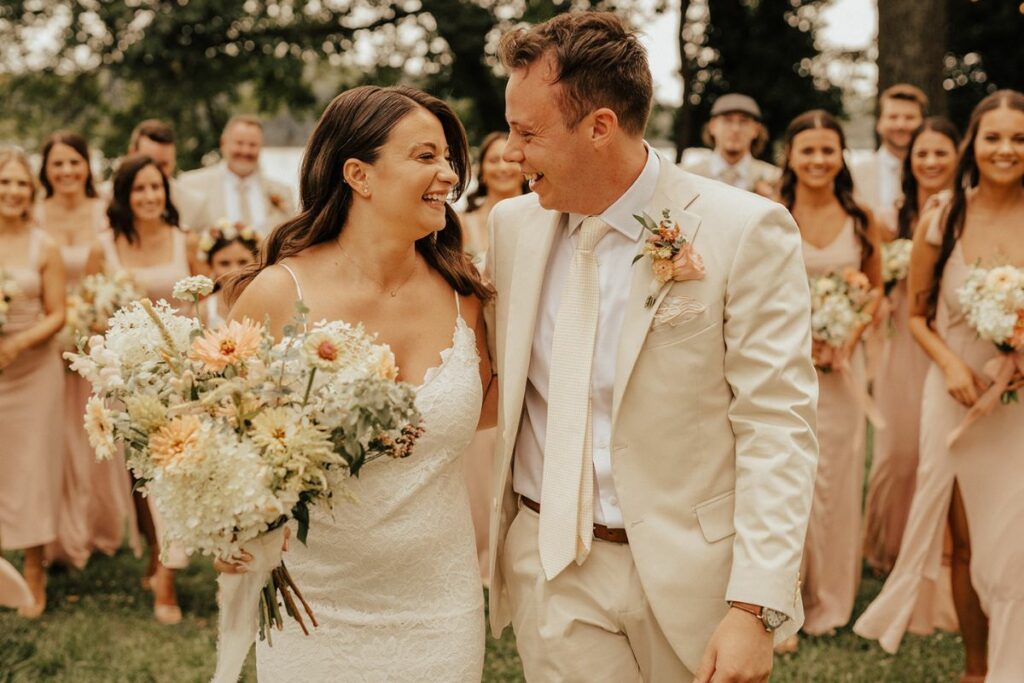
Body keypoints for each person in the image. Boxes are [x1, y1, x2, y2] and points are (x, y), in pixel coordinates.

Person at [487, 13, 818, 681]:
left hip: (696, 578)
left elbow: (776, 426)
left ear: (599, 127)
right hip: (550, 567)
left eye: (528, 134)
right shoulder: (510, 227)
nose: (512, 154)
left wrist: (754, 606)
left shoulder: (745, 229)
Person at [222, 85, 496, 681]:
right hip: (312, 609)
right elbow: (218, 435)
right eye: (426, 156)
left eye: (449, 158)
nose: (448, 174)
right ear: (359, 175)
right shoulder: (276, 295)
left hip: (439, 610)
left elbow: (492, 410)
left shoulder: (467, 298)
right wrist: (229, 524)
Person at [864, 90, 1024, 683]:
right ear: (973, 145)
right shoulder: (943, 215)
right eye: (994, 137)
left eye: (1019, 138)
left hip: (1020, 402)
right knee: (968, 538)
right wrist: (951, 366)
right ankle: (978, 671)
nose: (1006, 149)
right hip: (955, 395)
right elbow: (916, 315)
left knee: (1018, 537)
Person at [84, 154, 205, 625]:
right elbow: (93, 312)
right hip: (129, 378)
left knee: (170, 474)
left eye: (157, 188)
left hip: (180, 376)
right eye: (140, 189)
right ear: (125, 196)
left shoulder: (184, 241)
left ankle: (167, 583)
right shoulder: (105, 247)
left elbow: (203, 303)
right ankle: (158, 558)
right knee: (143, 479)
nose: (151, 197)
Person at [778, 110, 882, 643]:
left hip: (842, 369)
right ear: (790, 156)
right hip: (780, 363)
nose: (818, 160)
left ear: (841, 156)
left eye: (828, 150)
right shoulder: (771, 212)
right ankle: (780, 601)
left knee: (836, 483)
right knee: (782, 475)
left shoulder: (861, 217)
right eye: (808, 150)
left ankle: (831, 600)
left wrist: (847, 336)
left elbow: (876, 289)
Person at [863, 118, 961, 576]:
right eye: (922, 154)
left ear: (958, 157)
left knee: (943, 450)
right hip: (902, 341)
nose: (930, 161)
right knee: (897, 452)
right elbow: (875, 279)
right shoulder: (893, 216)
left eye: (941, 152)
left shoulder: (966, 212)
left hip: (953, 338)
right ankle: (890, 552)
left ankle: (942, 558)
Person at [34, 131, 125, 570]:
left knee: (96, 437)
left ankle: (98, 528)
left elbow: (113, 270)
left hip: (97, 338)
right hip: (43, 341)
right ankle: (55, 537)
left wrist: (93, 324)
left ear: (87, 166)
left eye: (75, 162)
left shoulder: (104, 212)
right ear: (45, 170)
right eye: (58, 164)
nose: (67, 171)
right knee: (56, 439)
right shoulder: (32, 214)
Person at [0, 148, 67, 618]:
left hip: (33, 370)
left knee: (32, 470)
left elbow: (59, 311)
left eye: (21, 184)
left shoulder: (44, 246)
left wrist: (18, 344)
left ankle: (35, 572)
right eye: (5, 182)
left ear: (32, 191)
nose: (12, 192)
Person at [457, 131, 525, 584]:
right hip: (482, 342)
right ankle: (479, 556)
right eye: (492, 161)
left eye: (509, 160)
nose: (501, 168)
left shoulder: (547, 217)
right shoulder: (461, 223)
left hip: (524, 338)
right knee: (480, 455)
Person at [178, 115, 296, 235]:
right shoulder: (191, 185)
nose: (245, 151)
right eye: (239, 143)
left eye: (252, 145)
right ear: (223, 143)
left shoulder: (283, 192)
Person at [850, 84, 927, 216]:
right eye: (893, 117)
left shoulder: (941, 171)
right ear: (879, 123)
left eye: (909, 117)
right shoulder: (854, 173)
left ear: (923, 122)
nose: (901, 125)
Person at [683, 93, 781, 197]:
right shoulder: (687, 176)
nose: (735, 129)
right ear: (712, 126)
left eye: (744, 121)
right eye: (727, 120)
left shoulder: (776, 179)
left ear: (756, 129)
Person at [125, 119, 209, 230]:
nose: (154, 172)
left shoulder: (194, 205)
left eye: (163, 165)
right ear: (131, 154)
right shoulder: (104, 199)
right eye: (147, 163)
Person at [197, 223, 260, 329]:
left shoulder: (268, 300)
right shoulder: (202, 311)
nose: (235, 271)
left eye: (243, 262)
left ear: (256, 262)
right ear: (210, 266)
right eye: (224, 263)